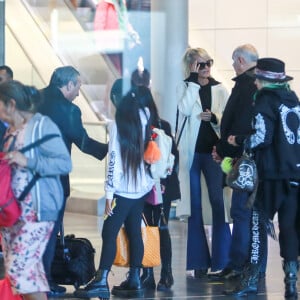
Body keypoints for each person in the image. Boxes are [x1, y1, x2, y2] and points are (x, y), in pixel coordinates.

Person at [224, 58, 300, 299]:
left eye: (257, 78)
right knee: (289, 228)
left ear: (264, 80)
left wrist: (240, 141)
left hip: (271, 175)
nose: (255, 82)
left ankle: (252, 279)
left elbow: (262, 137)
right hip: (295, 174)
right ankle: (291, 281)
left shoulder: (265, 100)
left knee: (257, 224)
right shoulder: (292, 99)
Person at [74, 86, 155, 299]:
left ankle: (102, 280)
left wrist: (109, 194)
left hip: (122, 191)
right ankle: (135, 279)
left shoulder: (118, 124)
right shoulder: (146, 117)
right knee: (134, 232)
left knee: (109, 232)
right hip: (141, 189)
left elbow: (114, 162)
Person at [38, 66, 108, 296]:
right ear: (68, 85)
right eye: (77, 86)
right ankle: (45, 280)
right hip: (54, 181)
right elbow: (84, 143)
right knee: (50, 231)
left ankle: (27, 278)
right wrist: (112, 149)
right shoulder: (68, 110)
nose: (79, 92)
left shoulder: (33, 100)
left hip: (28, 178)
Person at [0, 80, 72, 300]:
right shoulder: (10, 131)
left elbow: (64, 163)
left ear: (11, 104)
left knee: (18, 269)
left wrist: (28, 161)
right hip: (14, 212)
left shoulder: (42, 126)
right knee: (29, 273)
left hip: (37, 212)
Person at [211, 44, 267, 280]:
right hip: (260, 161)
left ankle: (239, 266)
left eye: (234, 62)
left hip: (246, 160)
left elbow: (239, 125)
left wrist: (223, 150)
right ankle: (256, 267)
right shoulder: (261, 85)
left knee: (241, 212)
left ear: (241, 60)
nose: (233, 66)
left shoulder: (247, 85)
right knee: (255, 215)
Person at [176, 47, 232, 277]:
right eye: (201, 64)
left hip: (213, 154)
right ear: (192, 66)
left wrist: (215, 118)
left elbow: (228, 120)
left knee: (219, 204)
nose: (206, 67)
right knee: (195, 207)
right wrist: (193, 84)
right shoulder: (186, 87)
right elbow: (184, 109)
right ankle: (198, 263)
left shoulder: (220, 89)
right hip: (191, 155)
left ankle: (224, 260)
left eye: (208, 62)